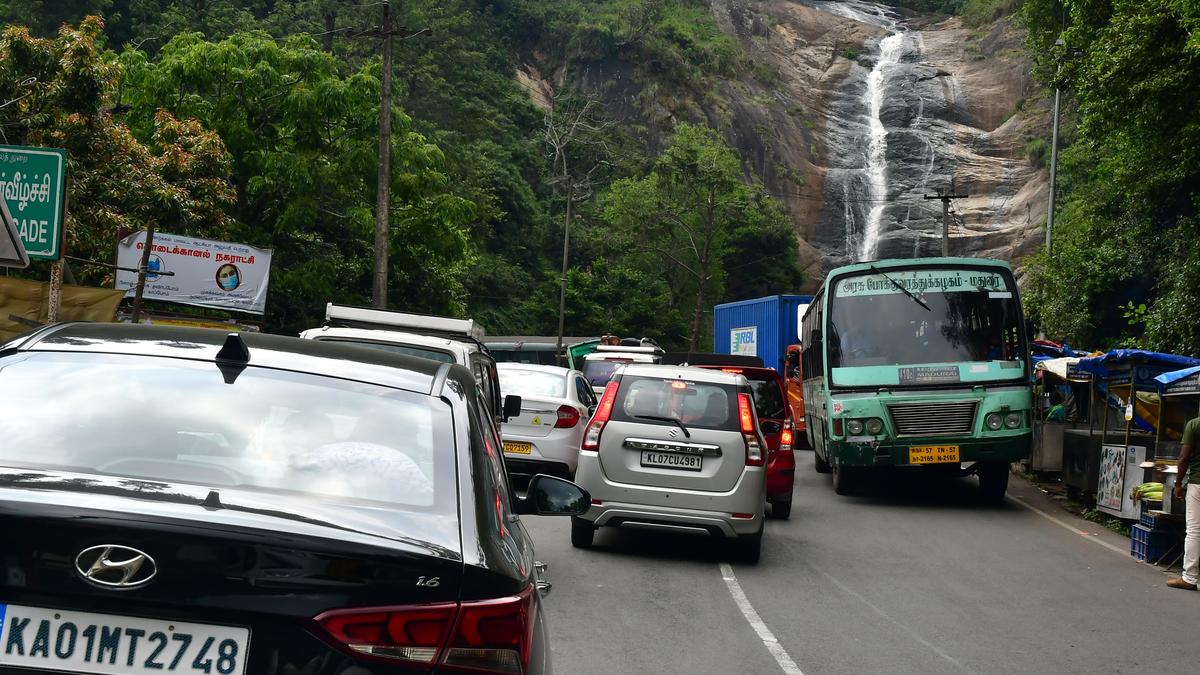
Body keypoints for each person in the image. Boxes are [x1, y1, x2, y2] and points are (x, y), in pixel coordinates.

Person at [1168, 416, 1200, 590]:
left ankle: (1189, 577)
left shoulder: (1194, 424)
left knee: (1194, 530)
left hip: (1198, 485)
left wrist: (1178, 484)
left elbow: (1183, 457)